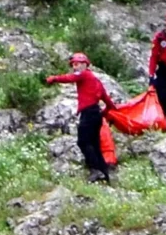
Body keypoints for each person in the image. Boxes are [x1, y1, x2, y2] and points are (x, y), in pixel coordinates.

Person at [47, 53, 117, 183]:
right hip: (96, 114)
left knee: (83, 142)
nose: (75, 67)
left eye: (77, 64)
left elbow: (70, 78)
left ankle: (95, 170)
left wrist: (54, 78)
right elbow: (107, 100)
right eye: (73, 65)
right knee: (95, 145)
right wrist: (106, 111)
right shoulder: (96, 80)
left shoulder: (84, 74)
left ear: (85, 64)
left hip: (88, 113)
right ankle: (105, 174)